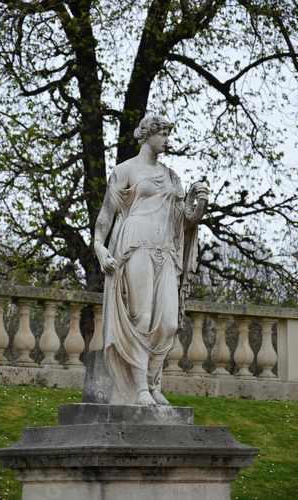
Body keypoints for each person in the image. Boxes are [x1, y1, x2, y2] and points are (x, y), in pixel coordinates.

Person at [94, 115, 208, 405]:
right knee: (142, 316)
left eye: (168, 134)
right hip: (135, 245)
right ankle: (141, 388)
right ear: (147, 136)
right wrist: (99, 248)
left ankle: (153, 382)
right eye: (163, 134)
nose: (167, 139)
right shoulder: (125, 170)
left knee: (169, 322)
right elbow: (107, 215)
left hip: (165, 249)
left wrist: (200, 204)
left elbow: (185, 221)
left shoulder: (172, 176)